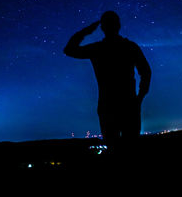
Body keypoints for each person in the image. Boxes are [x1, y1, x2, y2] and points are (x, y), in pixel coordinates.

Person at [64, 11, 151, 149]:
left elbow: (69, 50)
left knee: (114, 149)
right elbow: (146, 72)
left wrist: (86, 31)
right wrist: (139, 98)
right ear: (119, 25)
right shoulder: (130, 47)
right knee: (132, 149)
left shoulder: (98, 49)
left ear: (102, 28)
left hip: (108, 106)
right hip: (129, 105)